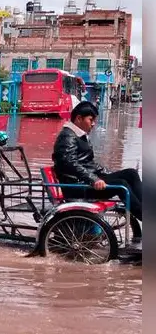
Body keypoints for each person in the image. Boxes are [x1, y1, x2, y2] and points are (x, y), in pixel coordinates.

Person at [52, 101, 142, 244]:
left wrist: (109, 174)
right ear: (79, 119)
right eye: (90, 120)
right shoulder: (67, 136)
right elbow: (69, 163)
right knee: (120, 184)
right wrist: (93, 179)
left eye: (94, 120)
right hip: (77, 187)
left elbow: (89, 163)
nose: (93, 124)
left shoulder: (79, 135)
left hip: (84, 182)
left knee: (130, 173)